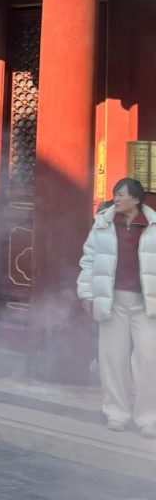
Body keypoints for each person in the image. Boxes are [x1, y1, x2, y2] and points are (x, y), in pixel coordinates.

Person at [77, 177, 156, 436]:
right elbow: (88, 260)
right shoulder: (103, 224)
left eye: (122, 194)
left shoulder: (153, 226)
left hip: (146, 303)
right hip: (112, 301)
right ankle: (116, 414)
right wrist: (87, 294)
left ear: (136, 199)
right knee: (113, 359)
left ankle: (147, 418)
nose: (117, 199)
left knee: (149, 360)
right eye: (115, 194)